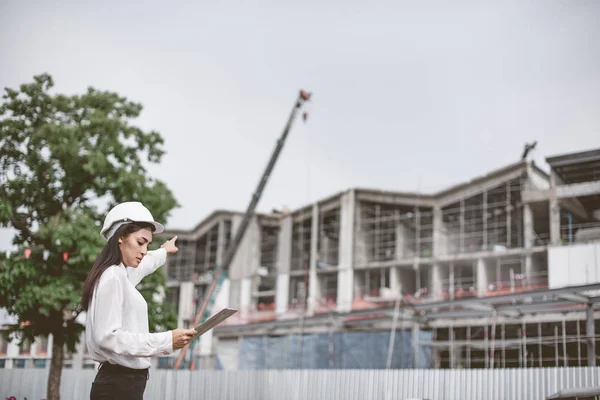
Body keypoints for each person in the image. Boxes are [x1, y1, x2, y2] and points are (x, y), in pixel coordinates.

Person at [81, 201, 197, 399]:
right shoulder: (112, 277)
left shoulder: (121, 274)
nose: (144, 250)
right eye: (140, 242)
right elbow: (107, 338)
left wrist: (164, 251)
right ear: (120, 237)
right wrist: (167, 340)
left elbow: (146, 263)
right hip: (118, 385)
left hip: (125, 383)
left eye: (147, 245)